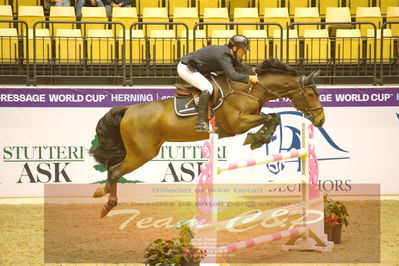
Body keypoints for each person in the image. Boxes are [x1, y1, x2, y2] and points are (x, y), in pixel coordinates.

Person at [177, 35, 259, 132]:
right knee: (207, 87)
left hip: (197, 69)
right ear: (235, 48)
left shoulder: (229, 54)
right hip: (186, 68)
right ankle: (201, 122)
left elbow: (241, 67)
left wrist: (256, 73)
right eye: (243, 50)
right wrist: (249, 78)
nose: (245, 53)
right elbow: (232, 75)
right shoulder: (223, 55)